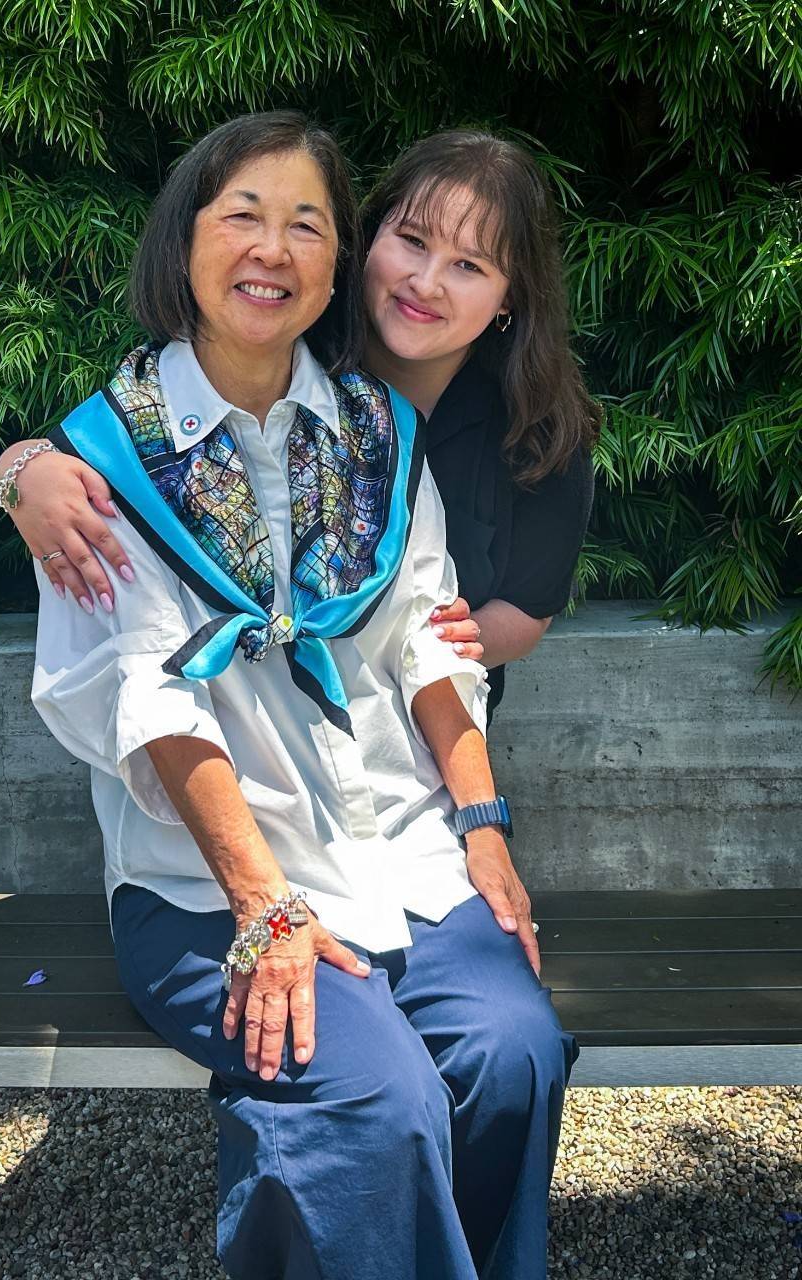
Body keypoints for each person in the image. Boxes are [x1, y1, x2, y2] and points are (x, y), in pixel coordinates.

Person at [28, 112, 577, 1280]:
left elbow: (432, 643)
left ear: (334, 269)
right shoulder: (103, 465)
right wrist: (263, 907)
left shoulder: (379, 433)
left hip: (403, 853)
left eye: (305, 224)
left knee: (513, 1049)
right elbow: (155, 701)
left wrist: (482, 829)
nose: (271, 248)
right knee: (375, 1098)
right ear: (184, 240)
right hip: (207, 884)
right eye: (243, 215)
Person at [0, 129, 598, 724]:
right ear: (366, 239)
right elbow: (135, 427)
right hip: (237, 731)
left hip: (427, 733)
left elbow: (528, 608)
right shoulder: (282, 341)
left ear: (509, 297)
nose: (426, 282)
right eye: (412, 241)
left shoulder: (540, 429)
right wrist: (22, 469)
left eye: (468, 265)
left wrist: (419, 651)